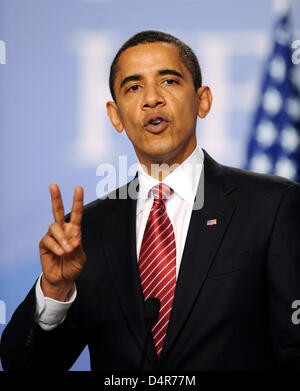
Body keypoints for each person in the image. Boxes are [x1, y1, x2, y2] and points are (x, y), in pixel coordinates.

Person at [1, 30, 300, 371]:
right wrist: (54, 290)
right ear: (115, 116)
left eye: (169, 81)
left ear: (203, 100)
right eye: (133, 87)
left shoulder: (271, 206)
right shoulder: (86, 232)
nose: (151, 99)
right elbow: (24, 366)